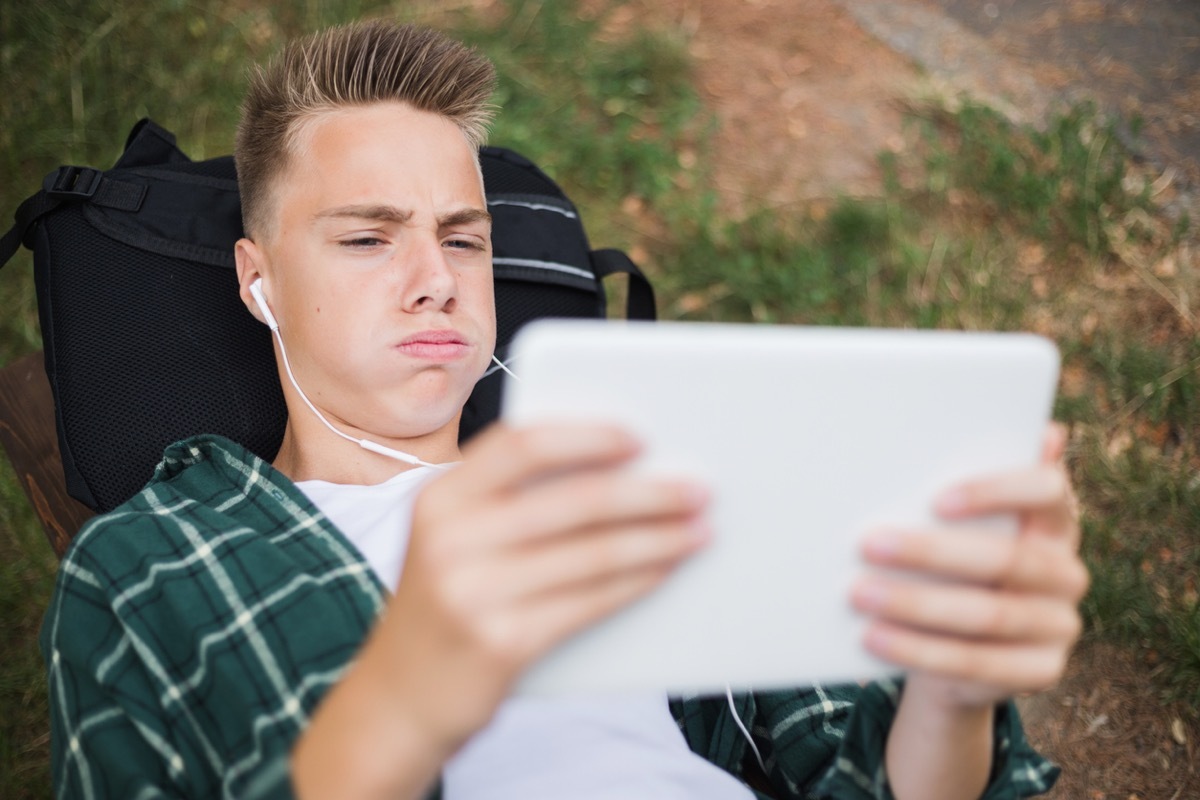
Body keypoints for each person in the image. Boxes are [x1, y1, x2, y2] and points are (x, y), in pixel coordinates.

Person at [42, 19, 1088, 800]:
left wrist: (951, 696)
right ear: (258, 279)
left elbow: (869, 767)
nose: (434, 279)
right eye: (368, 239)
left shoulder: (637, 490)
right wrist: (401, 702)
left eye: (463, 238)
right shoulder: (149, 569)